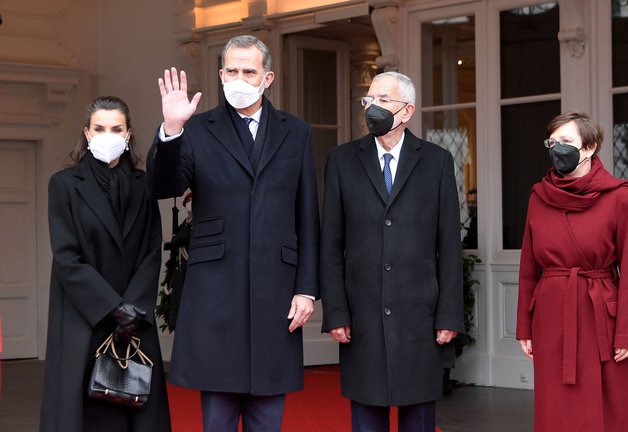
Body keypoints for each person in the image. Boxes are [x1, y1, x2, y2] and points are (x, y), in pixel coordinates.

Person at [148, 34, 320, 431]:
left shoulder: (296, 131)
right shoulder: (196, 128)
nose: (239, 78)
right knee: (219, 416)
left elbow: (307, 214)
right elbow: (163, 187)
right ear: (220, 74)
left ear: (268, 77)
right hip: (215, 291)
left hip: (277, 290)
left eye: (249, 70)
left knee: (267, 414)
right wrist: (171, 130)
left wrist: (306, 288)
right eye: (231, 70)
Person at [320, 71, 464, 432]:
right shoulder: (341, 161)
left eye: (383, 100)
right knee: (367, 416)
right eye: (369, 100)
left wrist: (449, 314)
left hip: (420, 317)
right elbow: (331, 243)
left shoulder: (437, 162)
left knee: (418, 416)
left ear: (407, 110)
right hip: (361, 314)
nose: (373, 107)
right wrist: (336, 311)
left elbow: (448, 246)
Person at [40, 96, 171, 432]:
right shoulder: (64, 184)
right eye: (99, 128)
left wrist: (132, 308)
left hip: (134, 317)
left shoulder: (144, 185)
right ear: (86, 133)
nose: (107, 135)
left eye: (116, 128)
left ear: (128, 135)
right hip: (85, 316)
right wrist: (113, 307)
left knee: (138, 411)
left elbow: (151, 250)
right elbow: (67, 257)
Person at [516, 112, 628, 432]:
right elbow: (528, 266)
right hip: (551, 315)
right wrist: (524, 327)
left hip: (601, 316)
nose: (558, 149)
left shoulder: (620, 196)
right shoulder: (538, 196)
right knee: (554, 407)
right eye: (552, 142)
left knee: (605, 408)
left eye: (567, 142)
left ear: (590, 147)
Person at [158, 191, 193, 332]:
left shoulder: (197, 227)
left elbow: (182, 239)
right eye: (188, 202)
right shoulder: (183, 226)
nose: (190, 205)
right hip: (181, 269)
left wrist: (176, 240)